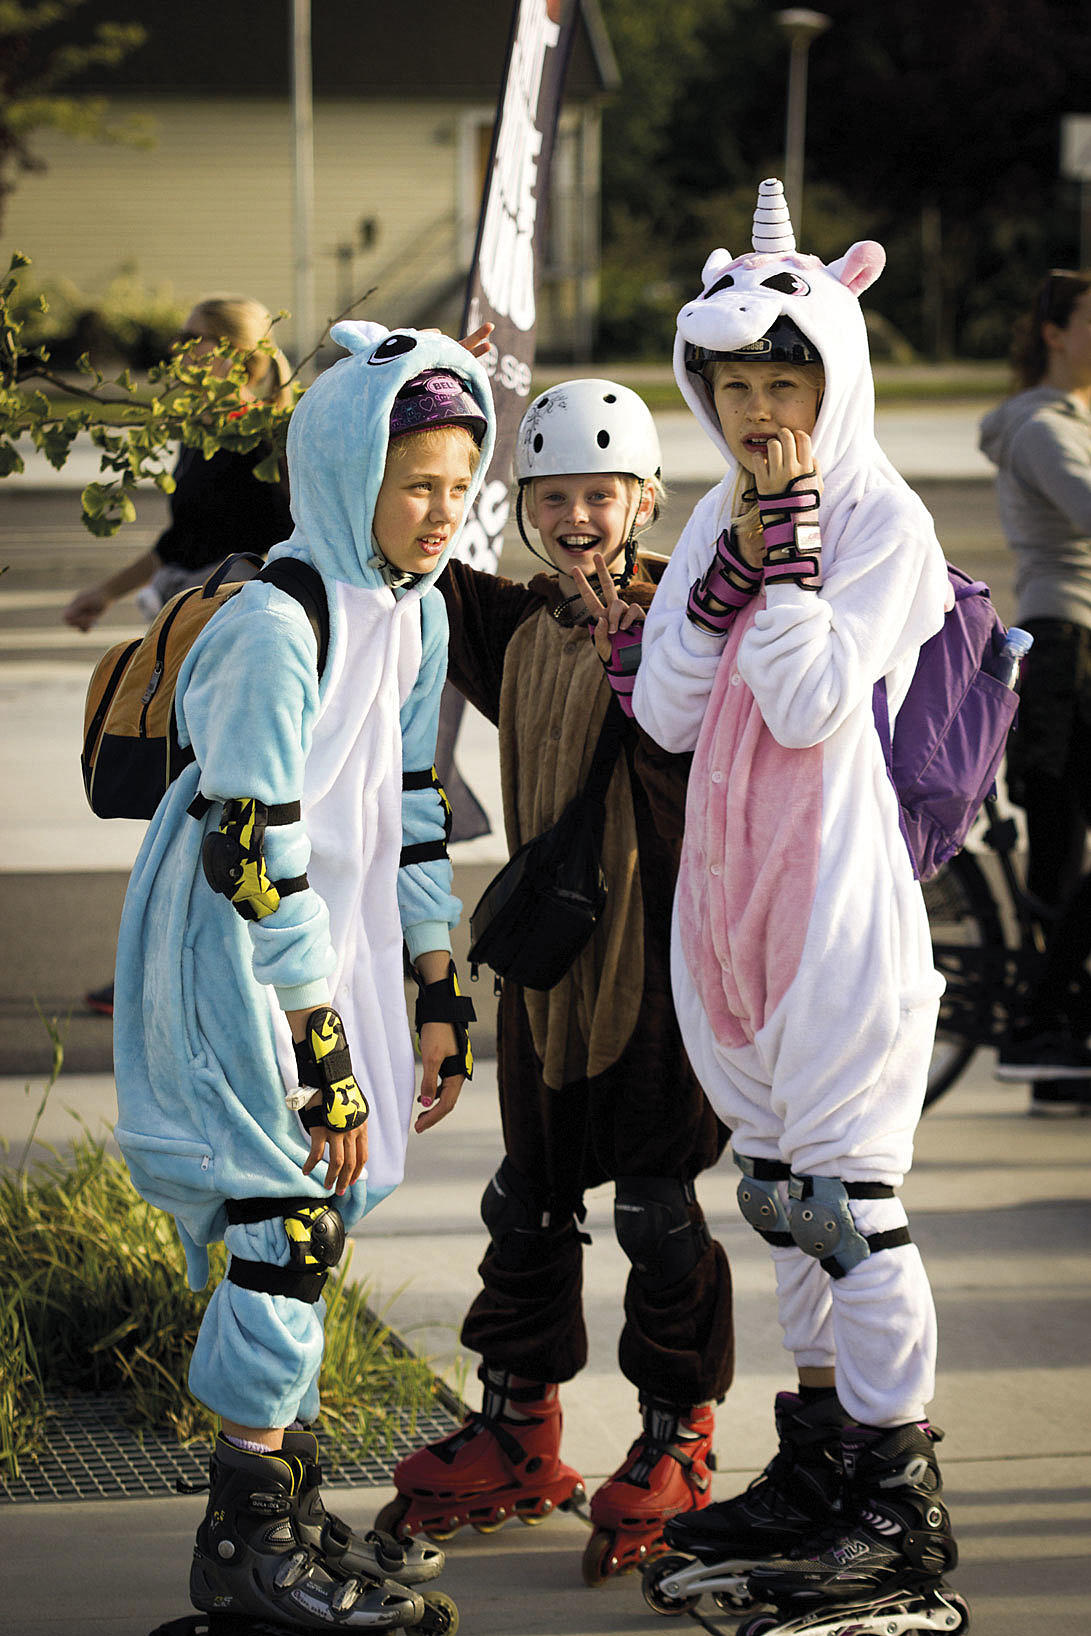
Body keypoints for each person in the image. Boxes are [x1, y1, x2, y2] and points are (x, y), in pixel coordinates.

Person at [112, 323, 495, 1632]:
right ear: (342, 473)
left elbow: (414, 804)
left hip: (340, 949)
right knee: (284, 1231)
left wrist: (435, 987)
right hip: (240, 960)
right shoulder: (275, 626)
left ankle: (285, 1506)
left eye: (458, 485)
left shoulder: (414, 609)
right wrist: (321, 1047)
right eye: (414, 484)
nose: (441, 512)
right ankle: (244, 1547)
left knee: (316, 1224)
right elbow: (253, 857)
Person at [624, 181, 962, 1630]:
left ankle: (895, 1499)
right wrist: (728, 575)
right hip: (725, 894)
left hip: (833, 894)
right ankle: (821, 1457)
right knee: (776, 1196)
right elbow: (663, 711)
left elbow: (816, 698)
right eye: (733, 385)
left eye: (784, 383)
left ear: (836, 380)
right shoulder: (715, 514)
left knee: (847, 1202)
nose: (758, 413)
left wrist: (796, 549)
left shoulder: (883, 518)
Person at [376, 379, 734, 1586]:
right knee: (523, 1199)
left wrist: (656, 637)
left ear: (645, 501)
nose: (576, 518)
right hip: (544, 973)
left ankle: (678, 1435)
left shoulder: (691, 621)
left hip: (657, 971)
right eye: (551, 497)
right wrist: (409, 388)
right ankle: (518, 1427)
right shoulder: (515, 623)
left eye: (599, 494)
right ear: (521, 506)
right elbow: (397, 531)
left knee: (654, 1208)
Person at [65, 294, 296, 1019]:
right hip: (190, 644)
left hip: (235, 653)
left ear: (241, 356)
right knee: (183, 815)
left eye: (197, 339)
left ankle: (193, 981)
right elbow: (181, 541)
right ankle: (168, 973)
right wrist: (104, 593)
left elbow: (286, 545)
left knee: (213, 816)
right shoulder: (203, 431)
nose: (181, 350)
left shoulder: (270, 440)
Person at [980, 269, 1091, 1113]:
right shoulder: (1042, 429)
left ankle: (1057, 1052)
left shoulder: (1069, 423)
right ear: (1055, 333)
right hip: (1066, 651)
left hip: (1068, 650)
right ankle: (1039, 1022)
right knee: (1060, 854)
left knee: (1061, 860)